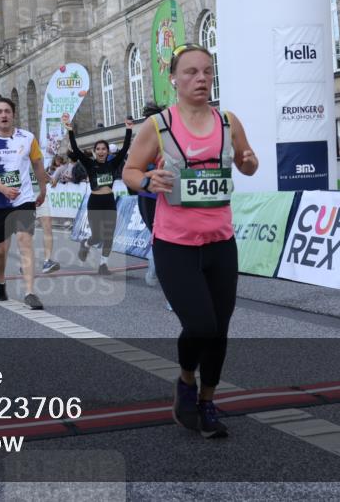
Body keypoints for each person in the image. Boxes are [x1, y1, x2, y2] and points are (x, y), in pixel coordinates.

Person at [122, 44, 258, 439]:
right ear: (174, 79)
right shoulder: (159, 125)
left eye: (207, 71)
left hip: (220, 242)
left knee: (219, 329)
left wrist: (248, 161)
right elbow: (130, 170)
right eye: (191, 72)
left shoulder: (228, 122)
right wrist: (148, 180)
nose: (201, 79)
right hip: (175, 244)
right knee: (199, 324)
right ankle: (185, 382)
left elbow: (249, 161)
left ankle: (206, 401)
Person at [0, 96, 49, 309]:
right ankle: (0, 281)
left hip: (24, 199)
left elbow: (38, 165)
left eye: (7, 111)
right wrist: (3, 189)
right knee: (1, 249)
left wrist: (43, 190)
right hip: (0, 202)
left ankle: (29, 291)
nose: (3, 115)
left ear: (13, 114)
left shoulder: (27, 138)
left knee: (25, 243)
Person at [66, 119, 133, 275]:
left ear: (108, 152)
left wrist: (129, 129)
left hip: (109, 201)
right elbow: (75, 149)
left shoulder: (112, 164)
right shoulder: (90, 164)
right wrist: (70, 130)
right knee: (97, 237)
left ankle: (103, 265)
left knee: (109, 235)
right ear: (95, 151)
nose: (102, 151)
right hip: (95, 202)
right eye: (99, 149)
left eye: (104, 149)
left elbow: (124, 150)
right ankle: (86, 243)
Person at [136, 102, 164, 288]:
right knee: (157, 233)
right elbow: (131, 170)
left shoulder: (169, 135)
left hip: (166, 195)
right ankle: (155, 270)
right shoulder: (143, 138)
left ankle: (159, 269)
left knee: (163, 234)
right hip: (148, 197)